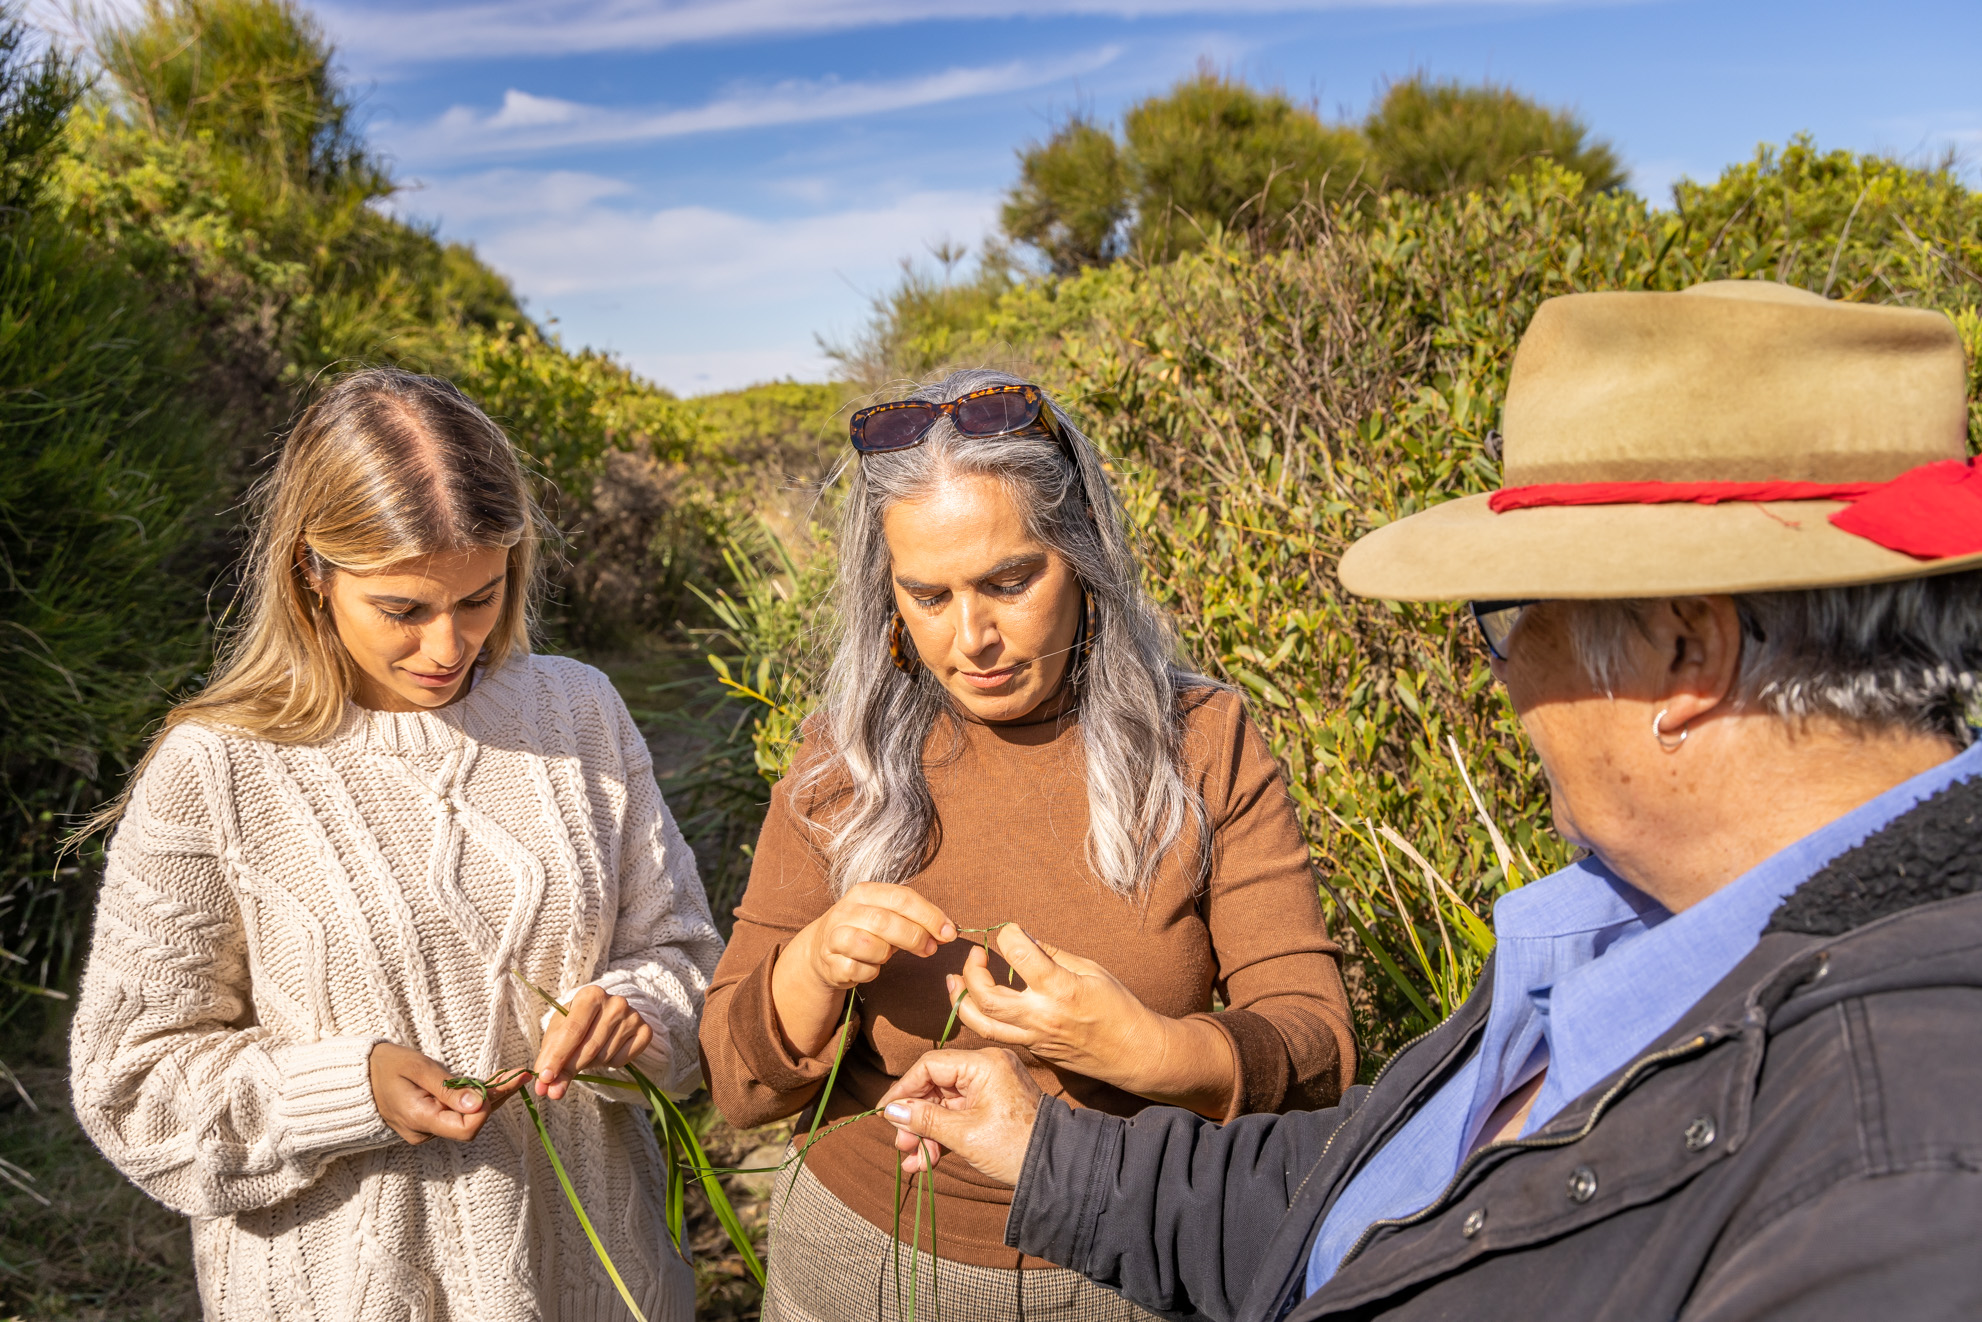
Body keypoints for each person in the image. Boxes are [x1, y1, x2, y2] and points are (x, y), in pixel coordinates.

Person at [879, 282, 1982, 1320]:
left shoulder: (1898, 1171)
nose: (1503, 674)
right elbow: (1378, 1195)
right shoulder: (1634, 924)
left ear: (1686, 651)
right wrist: (1048, 1151)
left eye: (1507, 616)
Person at [698, 368, 1357, 1320]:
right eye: (927, 595)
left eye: (1010, 582)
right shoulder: (843, 759)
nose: (973, 638)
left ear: (1082, 555)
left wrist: (1145, 1050)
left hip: (1127, 1264)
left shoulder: (1203, 743)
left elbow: (1317, 1048)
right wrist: (810, 966)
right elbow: (735, 1085)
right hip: (855, 1264)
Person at [69, 368, 723, 1320]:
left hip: (600, 1283)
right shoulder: (215, 769)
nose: (449, 647)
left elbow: (686, 958)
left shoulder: (579, 710)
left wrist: (636, 1014)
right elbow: (131, 1085)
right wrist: (348, 1090)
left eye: (480, 598)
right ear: (312, 572)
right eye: (404, 611)